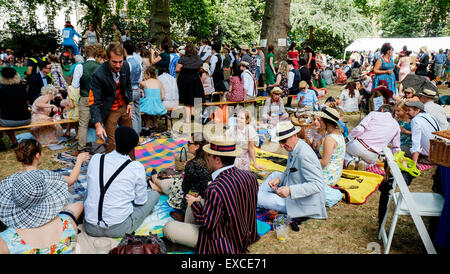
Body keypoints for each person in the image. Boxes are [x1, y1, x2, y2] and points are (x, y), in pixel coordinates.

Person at [163, 136, 260, 253]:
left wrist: (195, 204)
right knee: (195, 204)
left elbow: (208, 224)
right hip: (247, 233)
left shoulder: (215, 189)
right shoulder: (250, 176)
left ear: (217, 160)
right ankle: (188, 230)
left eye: (209, 154)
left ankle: (190, 239)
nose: (206, 158)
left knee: (168, 227)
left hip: (225, 242)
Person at [83, 126, 159, 238]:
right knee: (154, 195)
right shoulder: (136, 167)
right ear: (133, 147)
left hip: (90, 226)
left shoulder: (96, 158)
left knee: (90, 190)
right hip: (118, 229)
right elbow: (140, 201)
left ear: (114, 141)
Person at [257, 121, 327, 231]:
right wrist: (280, 179)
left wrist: (290, 190)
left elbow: (318, 185)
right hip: (296, 190)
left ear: (294, 135)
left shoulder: (304, 155)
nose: (281, 145)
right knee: (275, 175)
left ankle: (256, 200)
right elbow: (289, 170)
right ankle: (258, 200)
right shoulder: (295, 147)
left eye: (284, 141)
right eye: (280, 141)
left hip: (304, 203)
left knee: (256, 196)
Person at [151, 132, 211, 219]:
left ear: (197, 146)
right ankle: (157, 187)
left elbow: (184, 187)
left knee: (170, 183)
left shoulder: (193, 165)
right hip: (201, 194)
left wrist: (187, 169)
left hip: (189, 196)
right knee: (172, 182)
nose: (187, 145)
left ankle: (155, 181)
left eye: (189, 143)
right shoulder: (208, 159)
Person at [89, 42, 134, 157]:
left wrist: (130, 102)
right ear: (107, 59)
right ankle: (111, 169)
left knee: (130, 139)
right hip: (110, 110)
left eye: (120, 61)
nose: (118, 65)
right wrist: (98, 125)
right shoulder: (98, 75)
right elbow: (94, 102)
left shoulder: (126, 66)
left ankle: (131, 165)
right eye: (114, 62)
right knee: (112, 143)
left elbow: (128, 85)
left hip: (124, 107)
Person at [345, 104, 401, 170]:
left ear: (382, 110)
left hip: (358, 145)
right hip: (372, 154)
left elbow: (360, 129)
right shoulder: (396, 125)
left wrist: (349, 138)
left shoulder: (373, 114)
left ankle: (349, 162)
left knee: (344, 150)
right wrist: (396, 160)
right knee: (372, 163)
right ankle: (364, 164)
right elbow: (396, 147)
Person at [313, 107, 345, 208]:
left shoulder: (330, 139)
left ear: (327, 122)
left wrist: (309, 161)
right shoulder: (338, 134)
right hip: (335, 173)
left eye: (321, 120)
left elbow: (324, 162)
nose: (319, 122)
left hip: (328, 175)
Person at [0, 67, 31, 148]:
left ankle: (9, 141)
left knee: (5, 117)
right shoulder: (22, 89)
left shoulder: (2, 90)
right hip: (26, 119)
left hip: (8, 121)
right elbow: (27, 103)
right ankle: (14, 142)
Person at [77, 44, 101, 150]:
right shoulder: (101, 67)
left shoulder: (80, 66)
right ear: (96, 54)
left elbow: (75, 85)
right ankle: (101, 144)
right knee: (100, 122)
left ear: (85, 54)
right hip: (97, 97)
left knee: (83, 125)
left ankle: (81, 148)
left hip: (85, 96)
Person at [176, 42, 204, 123]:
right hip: (195, 79)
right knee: (195, 99)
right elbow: (201, 68)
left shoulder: (183, 58)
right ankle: (194, 116)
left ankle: (187, 119)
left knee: (186, 100)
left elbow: (177, 69)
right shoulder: (198, 58)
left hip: (184, 80)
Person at [139, 65, 167, 132]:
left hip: (147, 106)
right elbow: (162, 97)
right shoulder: (160, 83)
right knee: (151, 105)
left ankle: (147, 125)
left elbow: (138, 90)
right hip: (158, 106)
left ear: (146, 73)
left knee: (146, 105)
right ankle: (154, 123)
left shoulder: (143, 83)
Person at [123, 40, 143, 135]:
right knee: (137, 113)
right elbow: (140, 77)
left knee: (133, 115)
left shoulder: (127, 63)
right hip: (137, 89)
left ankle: (135, 135)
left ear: (124, 50)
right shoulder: (137, 62)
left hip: (130, 91)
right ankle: (138, 132)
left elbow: (126, 79)